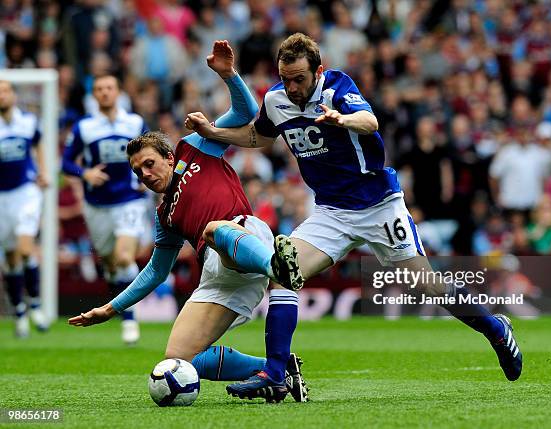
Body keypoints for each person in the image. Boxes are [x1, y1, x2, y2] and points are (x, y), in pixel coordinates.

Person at [186, 33, 523, 399]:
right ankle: (276, 374)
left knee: (429, 286)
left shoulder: (335, 88)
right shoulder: (275, 99)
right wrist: (213, 131)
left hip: (379, 205)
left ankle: (494, 328)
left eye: (299, 78)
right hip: (331, 212)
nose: (292, 87)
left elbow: (370, 121)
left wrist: (342, 120)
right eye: (286, 78)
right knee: (283, 274)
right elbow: (260, 136)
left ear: (318, 71)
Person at [68, 41, 307, 403]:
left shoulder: (195, 146)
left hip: (244, 236)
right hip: (219, 276)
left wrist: (228, 75)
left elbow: (246, 111)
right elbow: (154, 272)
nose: (145, 175)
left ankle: (277, 265)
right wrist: (110, 308)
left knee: (213, 229)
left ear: (167, 156)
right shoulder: (164, 216)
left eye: (149, 164)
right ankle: (279, 368)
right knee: (179, 360)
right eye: (137, 172)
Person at [62, 74, 149, 345]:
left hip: (129, 199)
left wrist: (148, 176)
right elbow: (65, 163)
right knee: (111, 262)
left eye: (109, 88)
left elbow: (151, 151)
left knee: (125, 256)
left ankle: (130, 321)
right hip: (97, 205)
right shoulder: (85, 127)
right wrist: (85, 173)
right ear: (94, 95)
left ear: (118, 92)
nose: (104, 93)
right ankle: (117, 289)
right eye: (99, 89)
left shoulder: (134, 122)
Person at [0, 80, 49, 338]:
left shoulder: (28, 122)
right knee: (10, 258)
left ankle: (36, 304)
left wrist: (43, 171)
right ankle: (19, 311)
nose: (1, 95)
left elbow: (38, 144)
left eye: (5, 90)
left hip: (25, 191)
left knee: (25, 248)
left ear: (13, 95)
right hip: (2, 196)